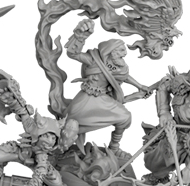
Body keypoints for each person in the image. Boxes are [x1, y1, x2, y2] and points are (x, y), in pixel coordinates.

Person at [64, 18, 151, 152]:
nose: (124, 54)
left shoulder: (119, 67)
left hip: (103, 99)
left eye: (124, 51)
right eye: (121, 51)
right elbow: (73, 53)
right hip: (86, 97)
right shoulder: (94, 60)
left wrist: (140, 86)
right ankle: (58, 147)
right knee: (69, 123)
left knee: (125, 117)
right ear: (111, 51)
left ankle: (114, 147)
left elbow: (124, 77)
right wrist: (81, 36)